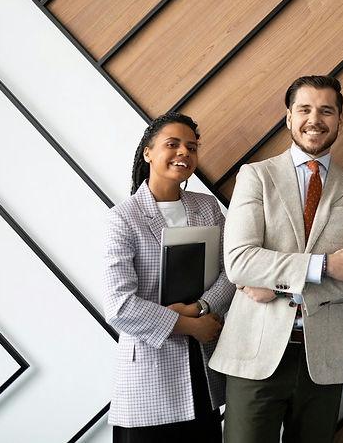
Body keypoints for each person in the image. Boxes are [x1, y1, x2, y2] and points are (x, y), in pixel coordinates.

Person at [209, 75, 343, 443]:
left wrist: (279, 288)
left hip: (323, 359)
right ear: (288, 117)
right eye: (304, 109)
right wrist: (326, 266)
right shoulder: (256, 176)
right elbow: (239, 259)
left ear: (339, 120)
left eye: (326, 111)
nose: (314, 119)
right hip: (255, 354)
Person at [103, 112, 235, 442]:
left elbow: (230, 273)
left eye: (191, 147)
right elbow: (119, 306)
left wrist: (200, 308)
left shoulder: (207, 208)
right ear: (148, 152)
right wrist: (190, 325)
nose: (184, 153)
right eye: (172, 144)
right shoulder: (123, 218)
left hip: (203, 366)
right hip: (149, 370)